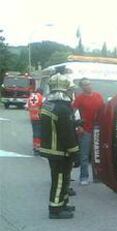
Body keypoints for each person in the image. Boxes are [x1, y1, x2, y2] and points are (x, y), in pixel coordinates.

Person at [39, 73, 80, 219]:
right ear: (65, 90)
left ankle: (62, 202)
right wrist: (75, 152)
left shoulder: (48, 105)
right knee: (60, 179)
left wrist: (73, 123)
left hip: (51, 148)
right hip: (60, 151)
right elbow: (66, 134)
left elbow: (56, 126)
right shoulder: (63, 108)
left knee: (63, 177)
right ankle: (55, 209)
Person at [72, 78, 104, 185]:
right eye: (85, 85)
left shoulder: (98, 96)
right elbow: (72, 113)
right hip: (85, 130)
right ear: (82, 87)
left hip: (97, 129)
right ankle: (84, 177)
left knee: (97, 154)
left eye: (89, 84)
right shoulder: (80, 98)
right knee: (84, 155)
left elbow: (103, 111)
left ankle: (98, 176)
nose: (88, 86)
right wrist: (78, 126)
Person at [27, 88, 43, 155]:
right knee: (39, 133)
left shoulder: (31, 97)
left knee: (35, 132)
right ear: (41, 92)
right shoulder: (41, 97)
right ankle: (38, 148)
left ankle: (35, 146)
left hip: (32, 117)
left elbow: (27, 107)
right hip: (39, 117)